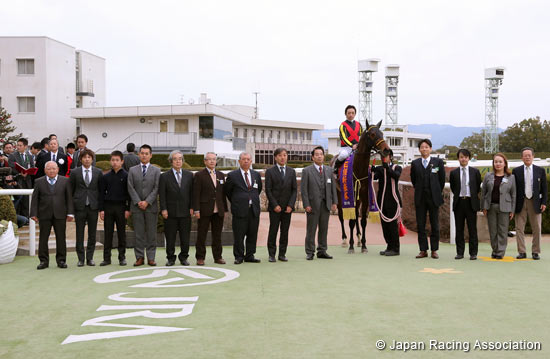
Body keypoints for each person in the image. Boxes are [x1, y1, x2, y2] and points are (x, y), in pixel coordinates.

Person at [30, 161, 74, 270]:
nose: (51, 170)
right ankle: (43, 261)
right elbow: (35, 199)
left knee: (61, 237)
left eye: (54, 168)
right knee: (43, 238)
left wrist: (70, 213)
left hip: (60, 214)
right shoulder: (38, 182)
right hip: (44, 214)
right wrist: (33, 213)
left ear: (58, 169)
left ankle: (61, 260)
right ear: (45, 170)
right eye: (49, 169)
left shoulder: (65, 181)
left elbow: (69, 198)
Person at [224, 152, 262, 264]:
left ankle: (250, 255)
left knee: (252, 233)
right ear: (239, 161)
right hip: (239, 209)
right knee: (239, 235)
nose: (246, 161)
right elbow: (228, 192)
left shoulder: (256, 174)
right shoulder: (232, 175)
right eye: (243, 159)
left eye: (248, 159)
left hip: (253, 209)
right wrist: (238, 201)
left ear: (251, 161)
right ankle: (239, 256)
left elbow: (258, 189)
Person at [410, 139, 445, 259]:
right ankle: (423, 250)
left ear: (430, 149)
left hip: (434, 198)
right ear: (419, 149)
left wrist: (436, 192)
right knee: (421, 225)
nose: (424, 149)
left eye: (426, 147)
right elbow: (414, 180)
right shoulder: (415, 163)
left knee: (435, 224)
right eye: (422, 147)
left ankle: (434, 250)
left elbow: (441, 180)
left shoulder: (438, 162)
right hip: (420, 198)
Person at [301, 146, 338, 260]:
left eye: (321, 154)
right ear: (313, 157)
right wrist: (306, 204)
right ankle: (310, 252)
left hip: (326, 204)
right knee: (311, 229)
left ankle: (322, 250)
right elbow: (304, 190)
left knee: (324, 229)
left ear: (323, 156)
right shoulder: (306, 171)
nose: (319, 156)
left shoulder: (329, 170)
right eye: (316, 154)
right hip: (312, 205)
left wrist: (334, 202)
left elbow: (333, 188)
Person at [127, 144, 160, 266]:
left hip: (151, 207)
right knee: (138, 234)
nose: (144, 155)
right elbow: (130, 187)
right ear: (138, 154)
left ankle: (151, 257)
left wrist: (147, 201)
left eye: (147, 153)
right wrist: (138, 201)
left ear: (150, 155)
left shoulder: (156, 170)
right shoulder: (132, 170)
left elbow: (157, 188)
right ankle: (139, 257)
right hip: (136, 207)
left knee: (151, 234)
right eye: (142, 153)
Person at [159, 150, 193, 266]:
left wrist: (192, 207)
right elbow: (162, 195)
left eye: (180, 159)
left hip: (185, 212)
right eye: (175, 159)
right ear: (171, 161)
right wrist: (163, 209)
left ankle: (184, 257)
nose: (178, 161)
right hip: (170, 212)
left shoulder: (189, 175)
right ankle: (171, 258)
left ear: (183, 161)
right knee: (170, 237)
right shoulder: (164, 177)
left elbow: (192, 193)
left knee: (185, 237)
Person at [193, 152, 228, 265]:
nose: (212, 161)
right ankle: (200, 257)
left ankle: (218, 257)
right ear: (205, 161)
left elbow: (223, 194)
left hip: (218, 210)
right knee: (201, 234)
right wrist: (196, 210)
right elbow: (196, 194)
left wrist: (224, 209)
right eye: (209, 159)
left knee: (217, 235)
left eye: (214, 159)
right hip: (204, 210)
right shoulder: (199, 175)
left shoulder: (221, 175)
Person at [512, 147, 547, 260]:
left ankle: (535, 252)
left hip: (535, 202)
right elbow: (514, 189)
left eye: (529, 155)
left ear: (533, 156)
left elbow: (544, 189)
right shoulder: (516, 171)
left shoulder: (540, 170)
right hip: (520, 202)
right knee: (519, 228)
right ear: (522, 158)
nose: (527, 157)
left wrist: (544, 202)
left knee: (537, 227)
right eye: (525, 155)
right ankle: (521, 251)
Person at [70, 149, 102, 267]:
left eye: (89, 157)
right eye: (85, 157)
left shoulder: (98, 172)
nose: (87, 159)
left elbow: (100, 190)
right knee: (79, 233)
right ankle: (80, 259)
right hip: (79, 206)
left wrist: (100, 207)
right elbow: (71, 190)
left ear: (92, 159)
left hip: (93, 206)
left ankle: (90, 258)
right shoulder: (74, 172)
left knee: (92, 234)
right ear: (81, 159)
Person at [481, 153, 516, 259]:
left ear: (505, 163)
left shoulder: (511, 177)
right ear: (493, 163)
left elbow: (514, 194)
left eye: (500, 162)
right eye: (496, 162)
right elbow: (484, 193)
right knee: (493, 231)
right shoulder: (488, 176)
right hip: (491, 207)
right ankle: (495, 250)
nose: (498, 164)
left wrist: (512, 210)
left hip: (505, 207)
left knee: (503, 230)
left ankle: (500, 252)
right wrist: (483, 207)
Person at [265, 147, 297, 262]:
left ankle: (282, 254)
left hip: (287, 208)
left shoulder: (291, 171)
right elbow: (268, 190)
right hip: (275, 208)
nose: (282, 157)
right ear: (275, 157)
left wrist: (291, 205)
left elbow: (294, 190)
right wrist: (274, 205)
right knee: (273, 230)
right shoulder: (270, 171)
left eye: (284, 155)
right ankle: (271, 254)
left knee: (285, 231)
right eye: (280, 155)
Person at [98, 151, 130, 266]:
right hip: (108, 207)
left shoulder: (127, 176)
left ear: (122, 161)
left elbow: (129, 194)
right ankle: (107, 258)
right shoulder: (105, 177)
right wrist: (101, 209)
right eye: (113, 160)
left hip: (121, 207)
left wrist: (128, 209)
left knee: (122, 233)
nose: (115, 162)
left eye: (117, 160)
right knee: (108, 233)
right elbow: (101, 194)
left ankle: (122, 257)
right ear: (110, 161)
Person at [450, 149, 481, 260]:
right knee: (459, 229)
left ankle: (473, 253)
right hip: (459, 203)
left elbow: (477, 187)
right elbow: (454, 188)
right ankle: (460, 253)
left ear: (469, 158)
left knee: (472, 229)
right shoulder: (454, 173)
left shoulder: (475, 172)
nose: (463, 159)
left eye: (466, 157)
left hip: (471, 203)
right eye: (461, 157)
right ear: (458, 158)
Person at [373, 150, 402, 256]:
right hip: (382, 200)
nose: (383, 157)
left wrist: (386, 167)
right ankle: (389, 246)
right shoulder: (380, 169)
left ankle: (396, 248)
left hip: (393, 200)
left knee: (392, 225)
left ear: (391, 157)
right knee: (385, 225)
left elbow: (396, 176)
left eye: (385, 156)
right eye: (382, 156)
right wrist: (371, 171)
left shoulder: (396, 167)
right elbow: (374, 177)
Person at [333, 105, 363, 175]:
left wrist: (359, 145)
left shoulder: (359, 124)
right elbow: (343, 138)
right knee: (343, 155)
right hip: (346, 148)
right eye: (349, 113)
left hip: (357, 148)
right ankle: (336, 167)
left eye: (352, 113)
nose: (351, 115)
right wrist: (352, 145)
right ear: (345, 114)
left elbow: (361, 136)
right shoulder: (343, 125)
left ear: (355, 114)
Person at [8, 138, 34, 216]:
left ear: (25, 146)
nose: (18, 147)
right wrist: (20, 172)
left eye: (20, 145)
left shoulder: (29, 156)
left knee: (27, 199)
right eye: (17, 145)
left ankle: (26, 216)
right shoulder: (13, 155)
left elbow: (32, 166)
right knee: (19, 198)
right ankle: (18, 216)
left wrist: (28, 172)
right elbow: (11, 167)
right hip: (18, 179)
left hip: (27, 180)